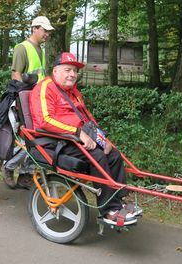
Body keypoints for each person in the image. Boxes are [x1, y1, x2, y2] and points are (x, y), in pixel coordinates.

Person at [29, 52, 142, 226]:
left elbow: (88, 118)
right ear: (55, 71)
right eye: (67, 70)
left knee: (113, 154)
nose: (72, 74)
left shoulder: (74, 92)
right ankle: (109, 210)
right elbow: (44, 121)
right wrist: (77, 132)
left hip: (74, 138)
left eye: (74, 71)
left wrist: (103, 139)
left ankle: (119, 201)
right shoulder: (45, 87)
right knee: (97, 156)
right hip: (54, 140)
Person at [3, 15, 54, 189]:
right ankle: (8, 166)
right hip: (25, 103)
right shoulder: (22, 48)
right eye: (45, 30)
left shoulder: (40, 50)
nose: (47, 34)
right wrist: (22, 103)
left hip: (37, 103)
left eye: (48, 31)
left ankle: (25, 175)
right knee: (27, 139)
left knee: (38, 139)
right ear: (35, 28)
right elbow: (16, 76)